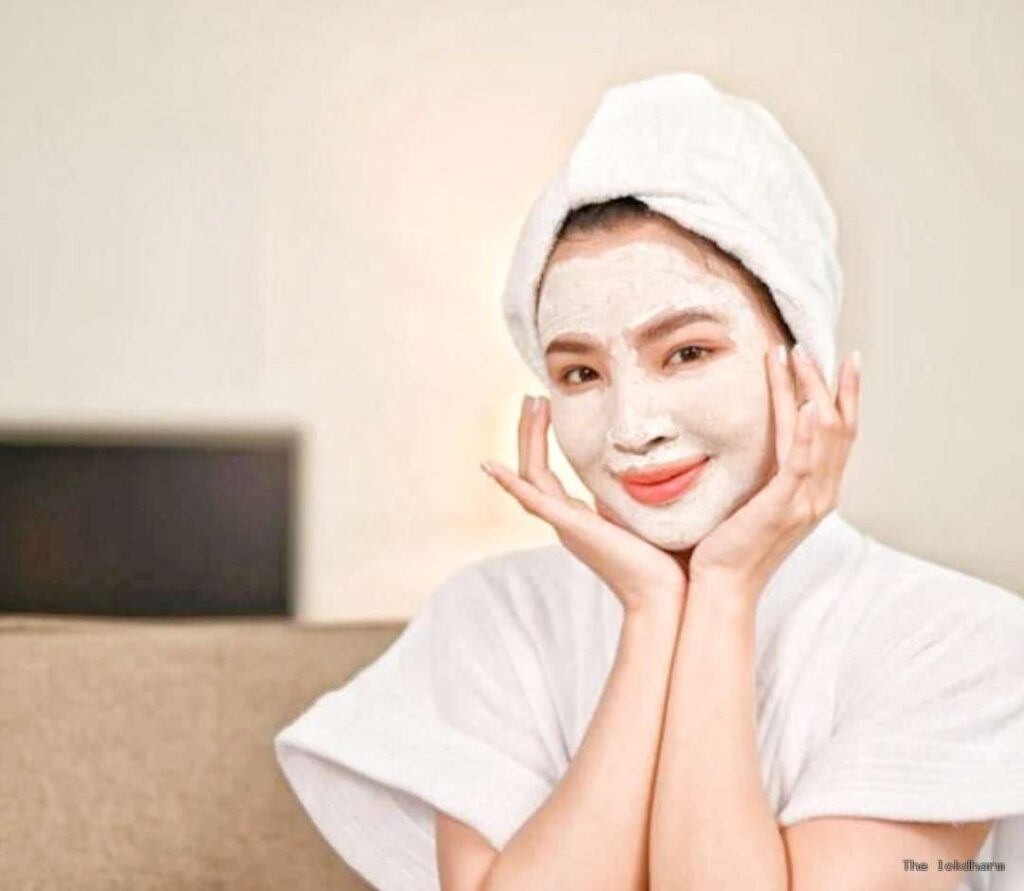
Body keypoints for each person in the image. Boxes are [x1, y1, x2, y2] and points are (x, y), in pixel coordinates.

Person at [274, 73, 1024, 891]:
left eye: (688, 352)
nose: (632, 427)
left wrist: (724, 591)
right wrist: (652, 612)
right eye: (581, 372)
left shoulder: (958, 640)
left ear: (801, 359)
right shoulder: (497, 617)